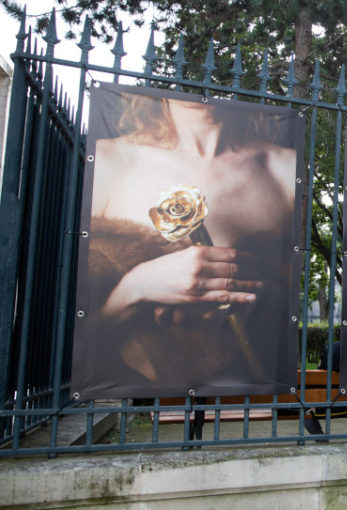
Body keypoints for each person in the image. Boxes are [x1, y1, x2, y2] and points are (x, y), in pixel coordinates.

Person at [76, 86, 297, 397]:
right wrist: (135, 288)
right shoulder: (109, 159)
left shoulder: (285, 167)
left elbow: (287, 304)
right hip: (133, 402)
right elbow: (68, 336)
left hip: (248, 398)